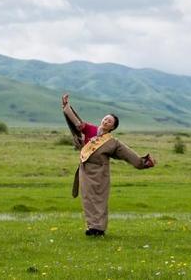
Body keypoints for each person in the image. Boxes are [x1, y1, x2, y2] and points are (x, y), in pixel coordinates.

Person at [61, 93, 155, 236]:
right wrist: (67, 106)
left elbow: (128, 154)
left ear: (112, 127)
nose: (106, 121)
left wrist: (143, 163)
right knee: (87, 199)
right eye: (105, 119)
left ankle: (99, 228)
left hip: (100, 173)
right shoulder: (89, 129)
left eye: (109, 121)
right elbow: (76, 122)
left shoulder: (113, 142)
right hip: (86, 171)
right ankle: (91, 227)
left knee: (99, 199)